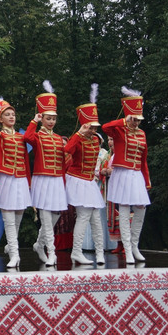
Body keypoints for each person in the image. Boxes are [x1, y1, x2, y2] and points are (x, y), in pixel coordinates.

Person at [101, 86, 151, 264]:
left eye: (138, 120)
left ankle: (135, 244)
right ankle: (127, 250)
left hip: (136, 175)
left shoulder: (142, 134)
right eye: (134, 119)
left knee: (141, 208)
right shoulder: (119, 130)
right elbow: (106, 127)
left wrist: (146, 180)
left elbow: (143, 159)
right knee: (123, 210)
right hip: (121, 173)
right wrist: (124, 120)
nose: (136, 123)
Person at [0, 99, 31, 268]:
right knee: (8, 219)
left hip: (21, 178)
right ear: (0, 119)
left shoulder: (20, 137)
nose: (11, 117)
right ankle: (15, 255)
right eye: (7, 115)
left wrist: (29, 183)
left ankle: (11, 247)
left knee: (18, 217)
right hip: (6, 178)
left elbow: (25, 160)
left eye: (13, 114)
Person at [24, 80, 67, 267]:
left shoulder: (59, 138)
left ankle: (39, 244)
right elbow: (26, 137)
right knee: (47, 218)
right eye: (48, 118)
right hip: (42, 178)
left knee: (56, 215)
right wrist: (34, 121)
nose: (51, 122)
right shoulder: (37, 136)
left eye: (53, 119)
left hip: (56, 180)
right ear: (42, 118)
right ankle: (52, 252)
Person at [64, 92, 106, 265]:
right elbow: (67, 150)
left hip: (90, 182)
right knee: (83, 216)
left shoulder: (96, 140)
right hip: (77, 180)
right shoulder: (78, 138)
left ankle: (100, 253)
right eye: (90, 127)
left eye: (95, 127)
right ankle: (76, 252)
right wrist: (78, 134)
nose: (94, 130)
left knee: (96, 218)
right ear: (84, 126)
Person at [98, 136, 123, 253]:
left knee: (123, 215)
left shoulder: (122, 154)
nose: (110, 142)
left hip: (121, 188)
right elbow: (101, 169)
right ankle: (119, 243)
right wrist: (103, 172)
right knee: (112, 216)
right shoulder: (107, 155)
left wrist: (112, 171)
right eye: (108, 139)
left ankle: (127, 245)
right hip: (110, 187)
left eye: (113, 139)